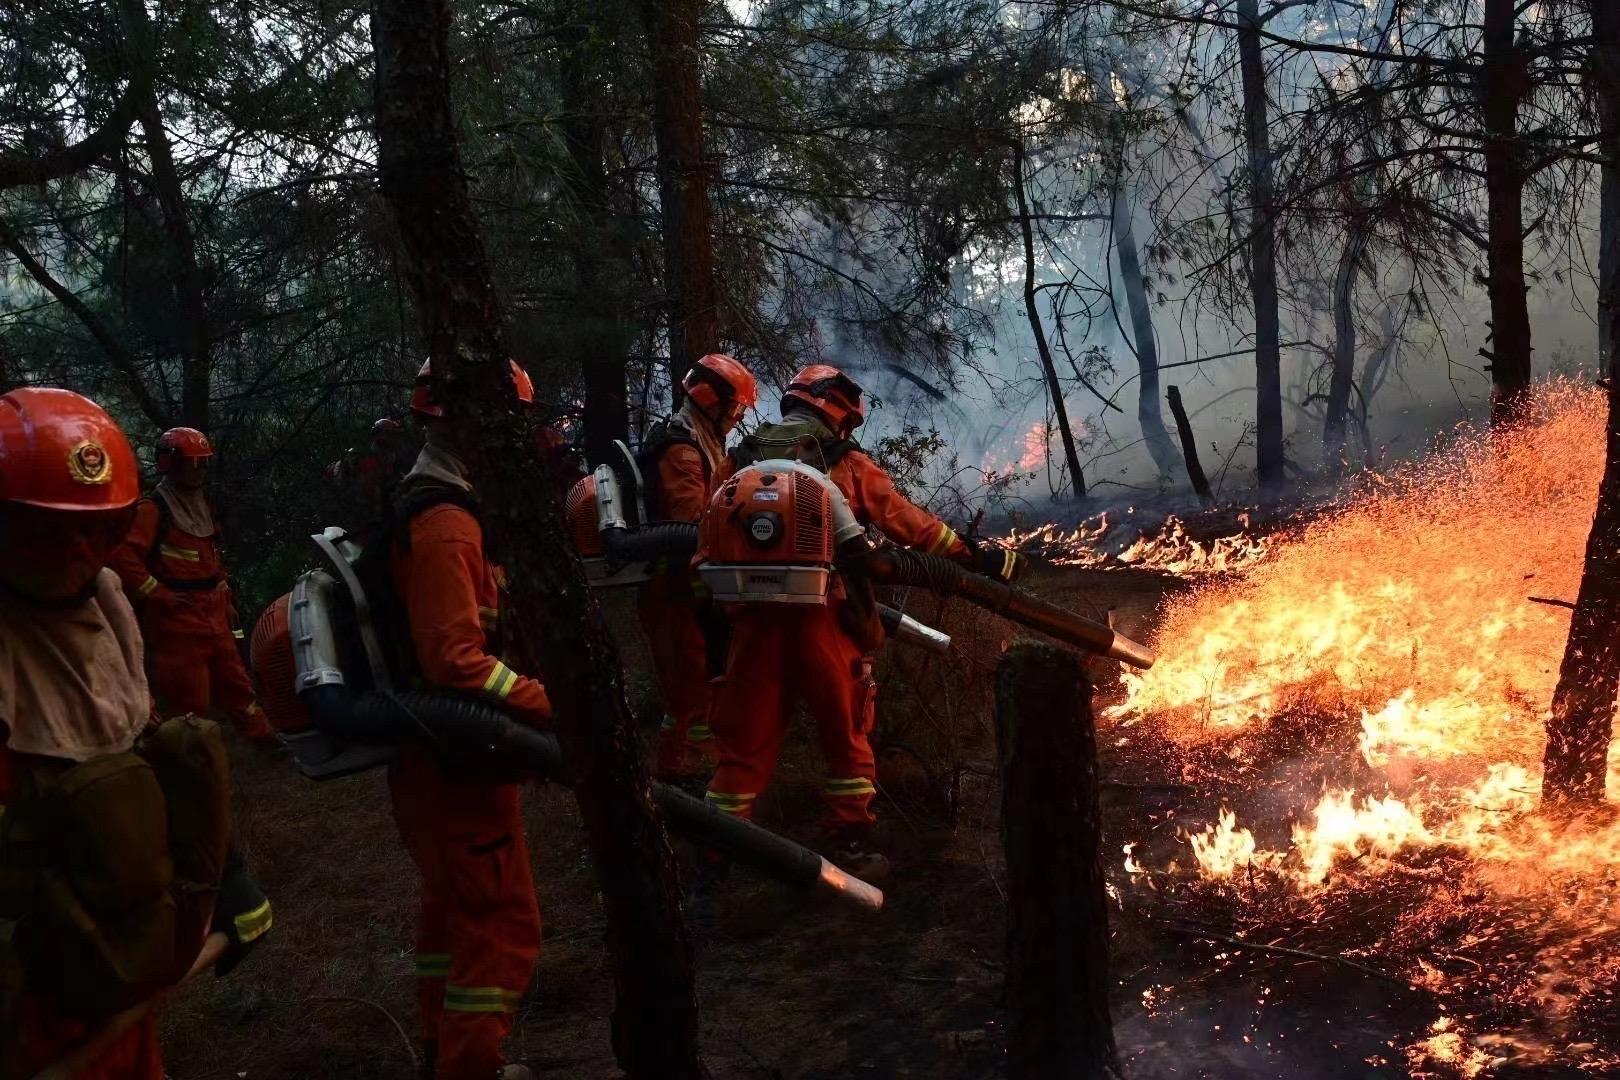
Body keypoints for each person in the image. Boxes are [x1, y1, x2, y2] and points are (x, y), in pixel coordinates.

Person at [0, 388, 268, 1079]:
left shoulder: (106, 604)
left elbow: (146, 753)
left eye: (95, 530)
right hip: (35, 994)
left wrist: (228, 875)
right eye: (47, 531)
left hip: (115, 969)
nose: (77, 551)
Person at [702, 365, 1024, 881]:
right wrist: (971, 556)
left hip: (752, 623)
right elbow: (910, 525)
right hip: (827, 617)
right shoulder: (844, 462)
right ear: (836, 409)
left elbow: (706, 540)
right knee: (846, 729)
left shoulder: (737, 463)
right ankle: (848, 840)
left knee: (745, 739)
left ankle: (715, 850)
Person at [391, 357, 550, 1080]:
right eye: (507, 421)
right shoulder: (448, 523)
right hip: (457, 758)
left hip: (439, 755)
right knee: (501, 925)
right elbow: (457, 660)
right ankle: (472, 1067)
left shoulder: (442, 498)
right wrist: (545, 703)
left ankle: (440, 1047)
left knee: (451, 912)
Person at [107, 427, 274, 743]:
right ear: (171, 465)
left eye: (202, 464)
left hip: (212, 613)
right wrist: (157, 594)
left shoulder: (203, 505)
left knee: (237, 684)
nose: (198, 472)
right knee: (190, 699)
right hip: (178, 622)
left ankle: (264, 739)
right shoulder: (153, 509)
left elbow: (210, 555)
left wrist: (226, 598)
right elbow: (123, 559)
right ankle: (194, 760)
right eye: (191, 464)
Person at [636, 353, 757, 788]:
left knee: (701, 687)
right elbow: (690, 524)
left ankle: (697, 771)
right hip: (672, 590)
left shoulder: (698, 438)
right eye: (736, 408)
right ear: (713, 400)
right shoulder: (684, 451)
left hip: (688, 587)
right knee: (687, 695)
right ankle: (675, 781)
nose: (737, 417)